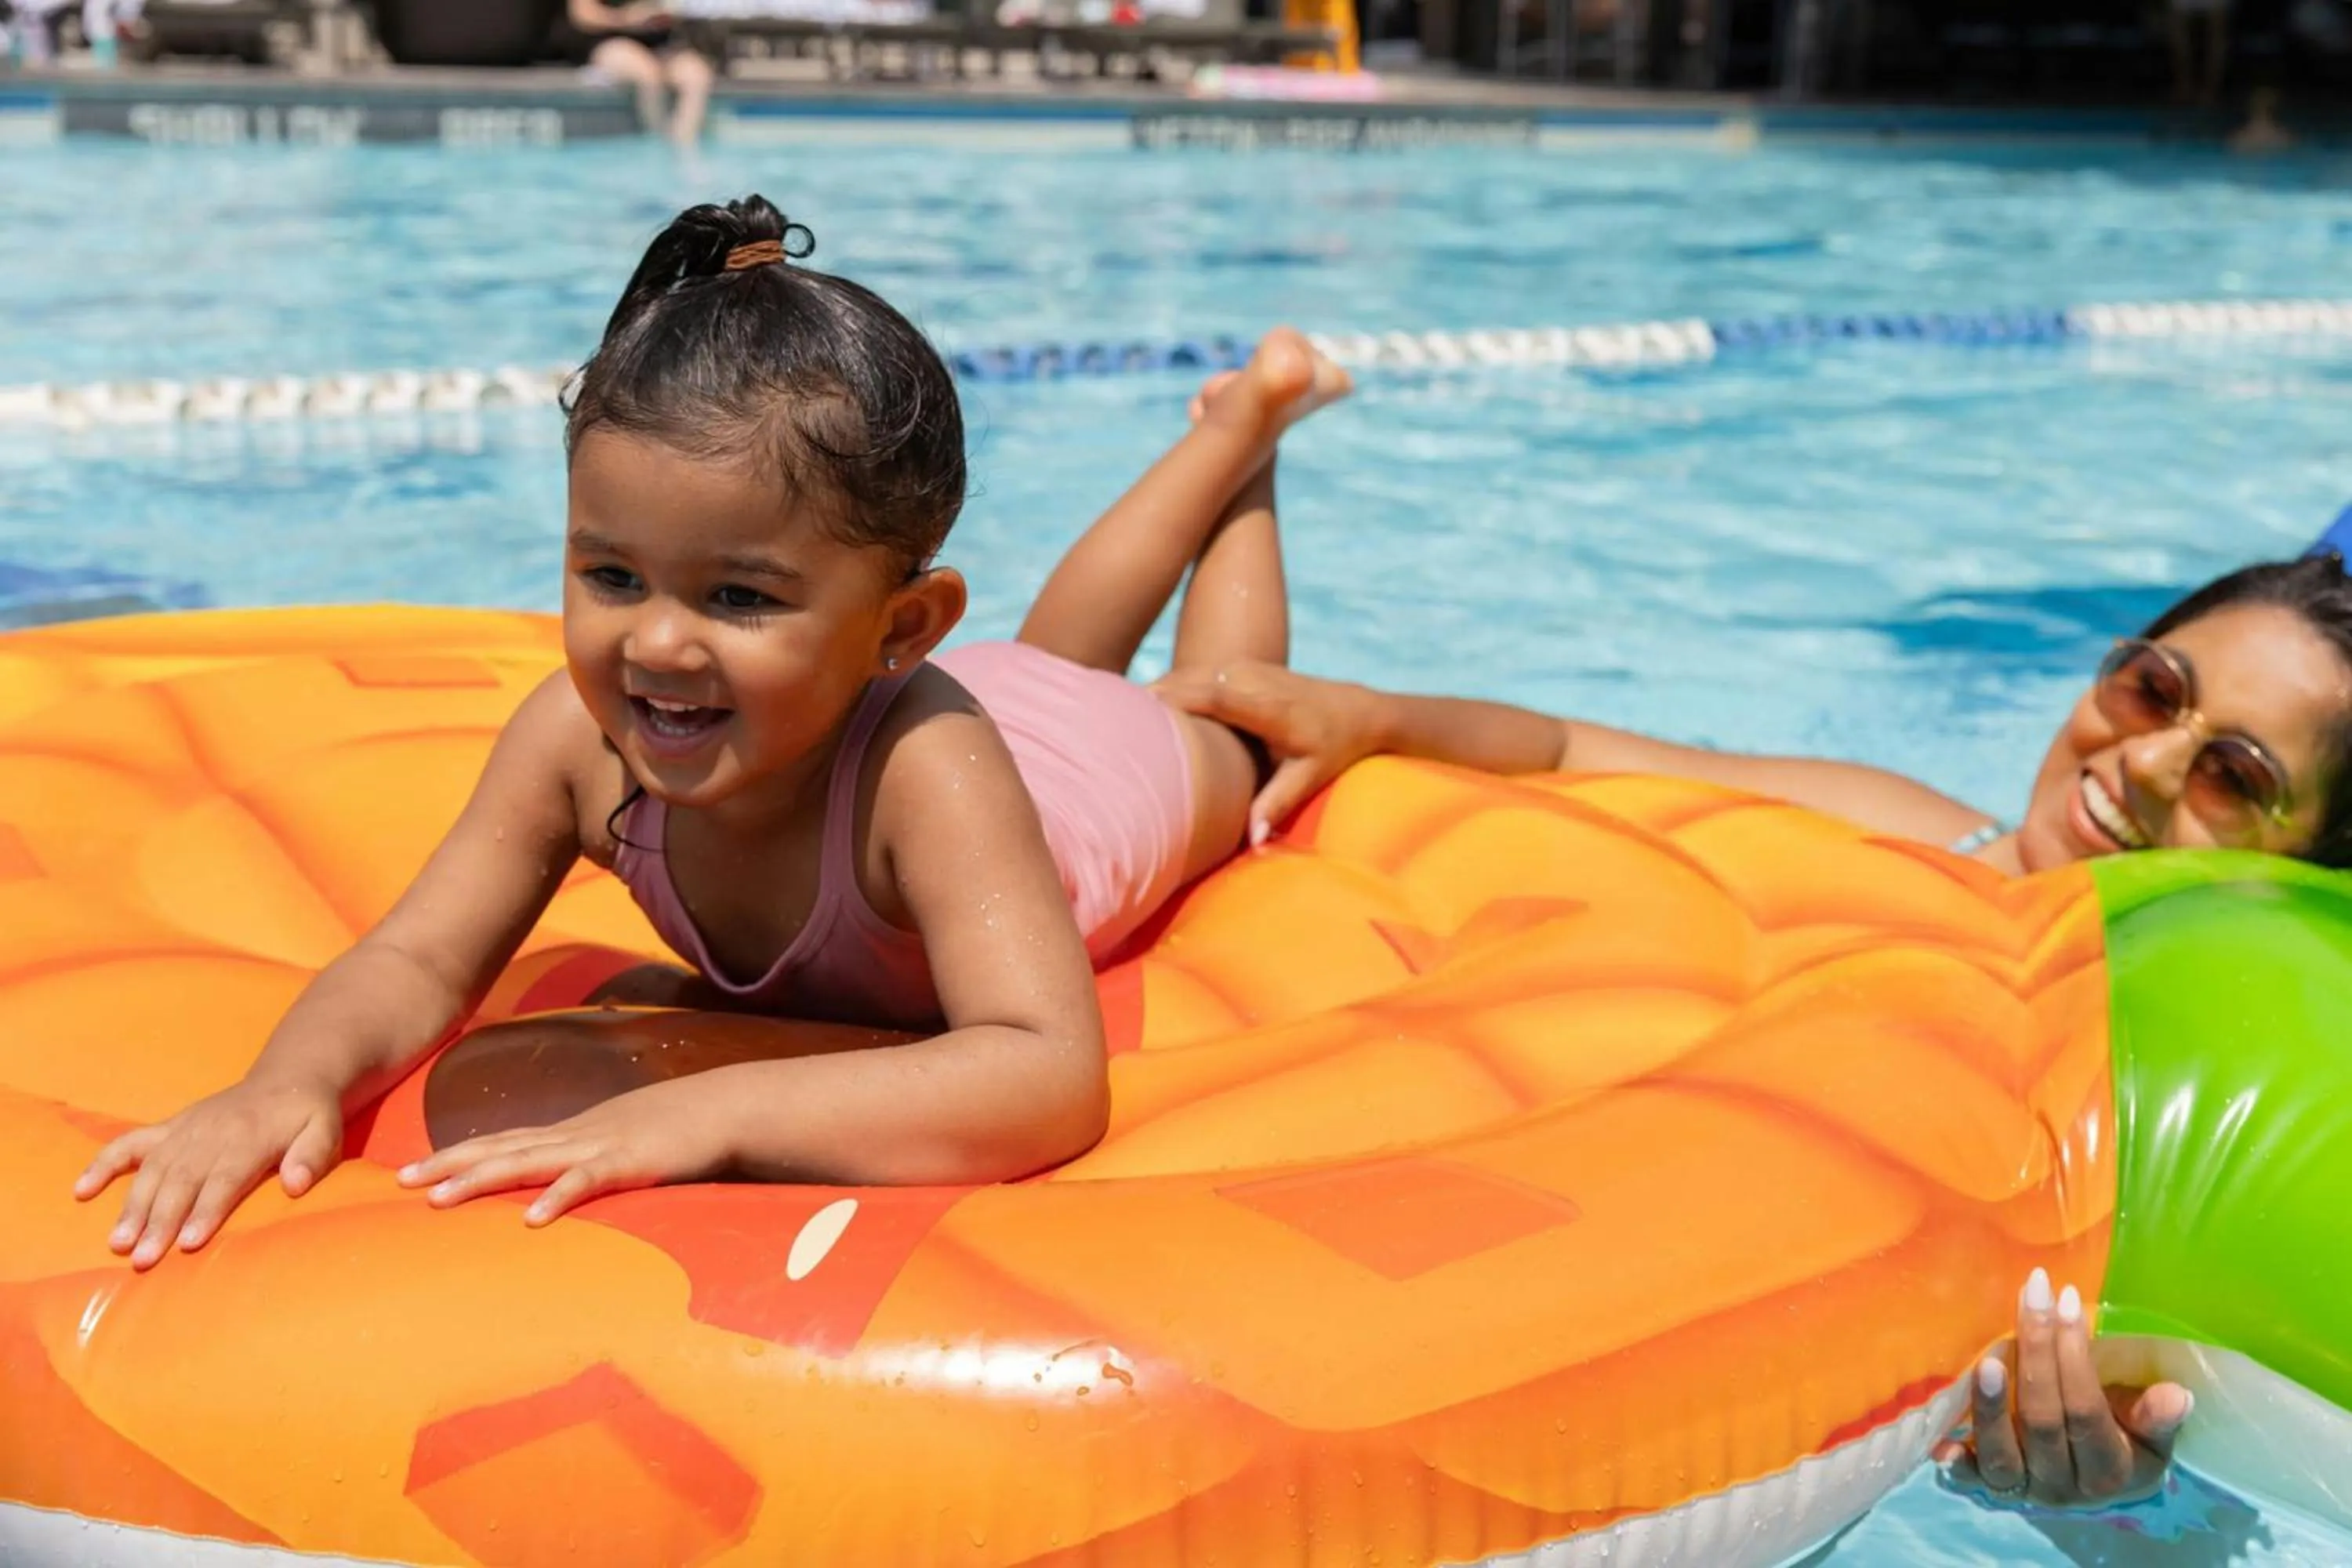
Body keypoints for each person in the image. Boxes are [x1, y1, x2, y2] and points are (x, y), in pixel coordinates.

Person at [74, 194, 1351, 1260]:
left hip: (1095, 782)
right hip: (995, 698)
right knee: (1058, 654)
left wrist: (713, 1115)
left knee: (1220, 707)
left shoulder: (929, 772)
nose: (659, 642)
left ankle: (1254, 444)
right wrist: (284, 1084)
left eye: (738, 597)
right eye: (612, 577)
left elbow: (1043, 1074)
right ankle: (1235, 421)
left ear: (902, 631)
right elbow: (415, 962)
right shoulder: (576, 746)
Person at [1156, 547, 2352, 1508]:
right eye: (2150, 688)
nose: (2144, 760)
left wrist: (2117, 1509)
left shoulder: (2183, 1121)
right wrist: (1375, 716)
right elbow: (1577, 754)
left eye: (2233, 777)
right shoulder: (1917, 833)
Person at [557, 0, 716, 147]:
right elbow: (583, 16)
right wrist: (626, 18)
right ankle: (656, 139)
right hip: (609, 40)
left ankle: (685, 144)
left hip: (658, 44)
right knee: (648, 76)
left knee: (696, 75)